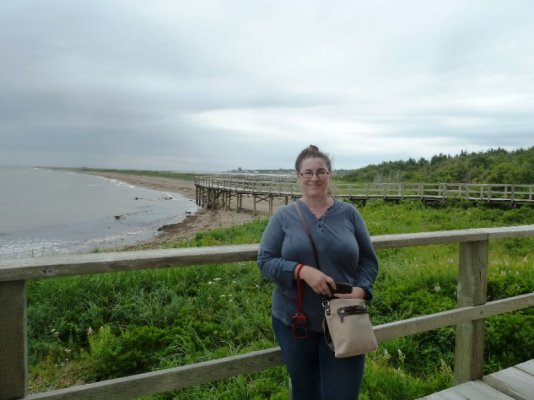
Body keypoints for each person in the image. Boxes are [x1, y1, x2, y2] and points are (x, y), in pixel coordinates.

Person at [258, 145, 379, 400]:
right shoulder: (283, 217)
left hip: (345, 318)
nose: (314, 178)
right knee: (306, 392)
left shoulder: (349, 214)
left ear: (330, 175)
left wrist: (361, 289)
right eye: (308, 173)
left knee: (343, 394)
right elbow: (266, 261)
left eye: (321, 172)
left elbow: (368, 261)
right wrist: (301, 271)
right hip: (295, 321)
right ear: (298, 177)